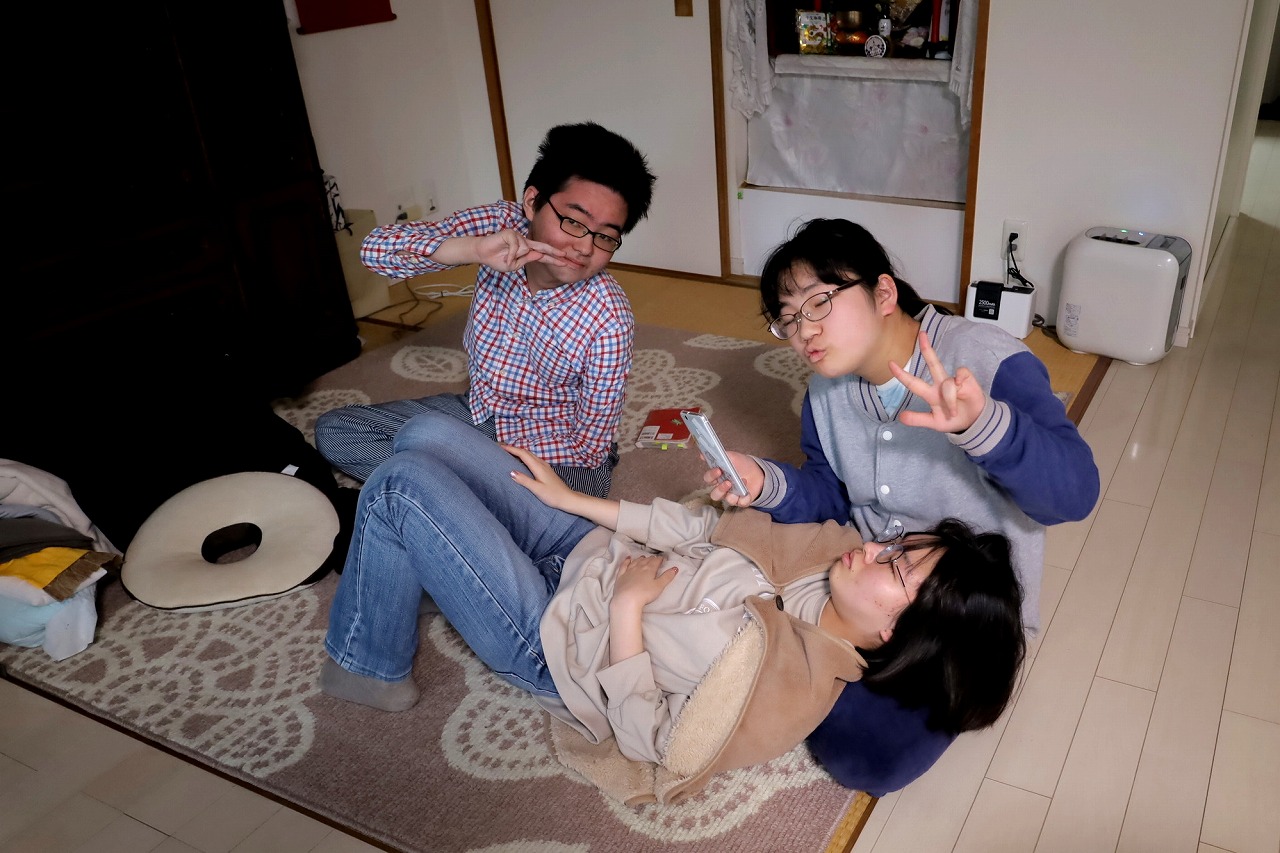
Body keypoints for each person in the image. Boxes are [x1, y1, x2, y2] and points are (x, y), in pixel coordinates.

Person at [320, 412, 1025, 802]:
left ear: (898, 631)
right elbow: (700, 526)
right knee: (424, 436)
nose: (873, 547)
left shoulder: (790, 689)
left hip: (552, 636)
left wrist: (628, 611)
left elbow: (657, 741)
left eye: (895, 565)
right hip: (587, 549)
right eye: (896, 544)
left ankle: (367, 662)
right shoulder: (828, 550)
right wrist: (571, 500)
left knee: (401, 485)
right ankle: (417, 565)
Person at [701, 217, 1100, 795]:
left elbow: (1075, 494)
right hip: (861, 571)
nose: (804, 331)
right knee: (716, 559)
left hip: (956, 608)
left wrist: (983, 428)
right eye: (787, 318)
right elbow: (832, 495)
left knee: (862, 753)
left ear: (883, 292)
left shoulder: (987, 360)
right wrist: (765, 482)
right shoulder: (825, 390)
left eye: (819, 302)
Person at [314, 122, 657, 498]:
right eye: (574, 222)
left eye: (605, 236)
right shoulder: (500, 224)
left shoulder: (609, 318)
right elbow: (375, 252)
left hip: (556, 448)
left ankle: (443, 495)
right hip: (480, 412)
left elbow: (590, 446)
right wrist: (471, 249)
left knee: (570, 499)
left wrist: (480, 459)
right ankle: (468, 503)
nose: (585, 247)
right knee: (337, 432)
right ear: (532, 202)